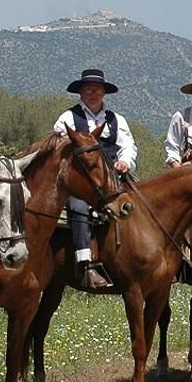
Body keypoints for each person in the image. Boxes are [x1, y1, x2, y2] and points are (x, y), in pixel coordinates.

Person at [52, 68, 137, 291]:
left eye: (97, 89)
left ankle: (139, 260)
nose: (93, 93)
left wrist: (125, 161)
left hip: (112, 179)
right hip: (81, 183)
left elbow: (128, 146)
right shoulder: (67, 119)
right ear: (80, 92)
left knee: (139, 204)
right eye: (88, 89)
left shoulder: (116, 120)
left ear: (104, 93)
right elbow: (58, 151)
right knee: (79, 208)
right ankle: (86, 263)